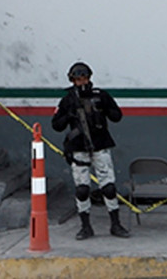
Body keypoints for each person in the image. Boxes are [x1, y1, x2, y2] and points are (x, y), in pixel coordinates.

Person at [51, 61, 130, 240]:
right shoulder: (68, 99)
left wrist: (103, 108)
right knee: (82, 190)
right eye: (78, 79)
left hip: (100, 146)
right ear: (72, 80)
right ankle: (85, 227)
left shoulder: (100, 95)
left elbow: (117, 116)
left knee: (109, 188)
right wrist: (69, 114)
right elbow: (56, 125)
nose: (81, 82)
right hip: (79, 149)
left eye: (84, 78)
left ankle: (115, 224)